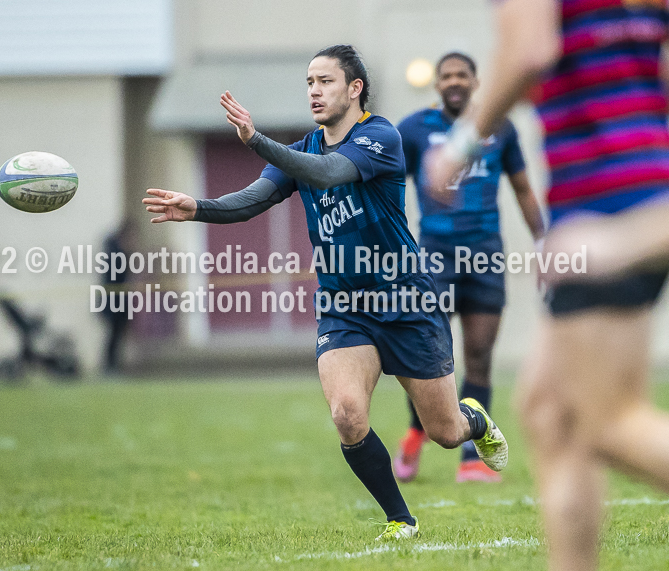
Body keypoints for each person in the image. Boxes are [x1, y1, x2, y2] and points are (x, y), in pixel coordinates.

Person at [143, 44, 508, 541]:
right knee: (347, 414)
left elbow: (328, 173)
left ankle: (475, 420)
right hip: (344, 304)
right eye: (309, 82)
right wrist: (199, 207)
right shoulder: (304, 148)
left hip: (405, 300)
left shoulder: (380, 136)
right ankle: (401, 520)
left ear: (355, 88)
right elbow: (251, 200)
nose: (314, 91)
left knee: (445, 432)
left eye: (325, 81)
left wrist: (255, 140)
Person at [425, 1, 669, 569]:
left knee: (608, 422)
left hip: (604, 201)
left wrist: (462, 142)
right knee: (549, 409)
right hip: (635, 188)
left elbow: (531, 50)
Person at [394, 52, 544, 483]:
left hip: (485, 256)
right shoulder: (414, 130)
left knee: (478, 356)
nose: (454, 81)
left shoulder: (500, 128)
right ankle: (414, 432)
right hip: (433, 258)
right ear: (437, 85)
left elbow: (522, 189)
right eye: (447, 76)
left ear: (476, 82)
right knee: (429, 358)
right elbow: (389, 188)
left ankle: (473, 460)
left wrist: (544, 241)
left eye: (462, 74)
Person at [99, 219, 137, 374]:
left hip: (121, 302)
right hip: (113, 303)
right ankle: (109, 366)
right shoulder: (115, 254)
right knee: (113, 335)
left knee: (117, 336)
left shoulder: (121, 253)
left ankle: (113, 365)